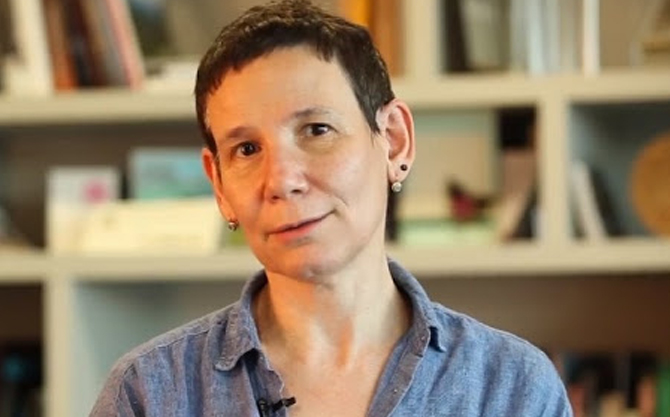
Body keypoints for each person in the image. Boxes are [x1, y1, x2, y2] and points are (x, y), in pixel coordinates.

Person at [90, 1, 573, 416]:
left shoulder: (512, 388)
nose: (282, 180)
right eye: (247, 149)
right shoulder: (149, 393)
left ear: (394, 141)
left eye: (317, 130)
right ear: (218, 183)